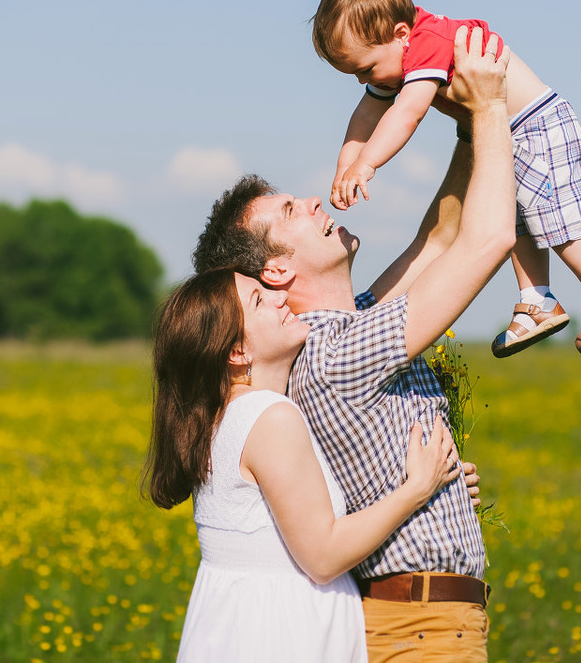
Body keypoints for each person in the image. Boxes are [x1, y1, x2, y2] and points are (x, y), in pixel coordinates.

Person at [192, 26, 513, 662]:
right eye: (289, 213)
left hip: (423, 618)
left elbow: (443, 237)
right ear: (277, 272)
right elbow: (486, 241)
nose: (313, 202)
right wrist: (493, 107)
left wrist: (464, 128)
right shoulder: (338, 350)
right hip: (423, 626)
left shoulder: (352, 326)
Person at [144, 268, 466, 662]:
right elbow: (323, 556)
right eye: (260, 300)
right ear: (237, 352)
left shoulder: (224, 420)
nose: (280, 297)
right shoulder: (270, 417)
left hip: (239, 625)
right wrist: (418, 488)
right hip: (284, 632)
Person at [311, 0, 581, 357]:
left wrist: (367, 164)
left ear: (400, 34)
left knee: (554, 218)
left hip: (538, 124)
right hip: (502, 134)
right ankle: (537, 300)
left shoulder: (425, 41)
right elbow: (367, 112)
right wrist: (345, 163)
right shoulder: (395, 53)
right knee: (519, 220)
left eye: (365, 69)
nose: (363, 80)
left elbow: (408, 112)